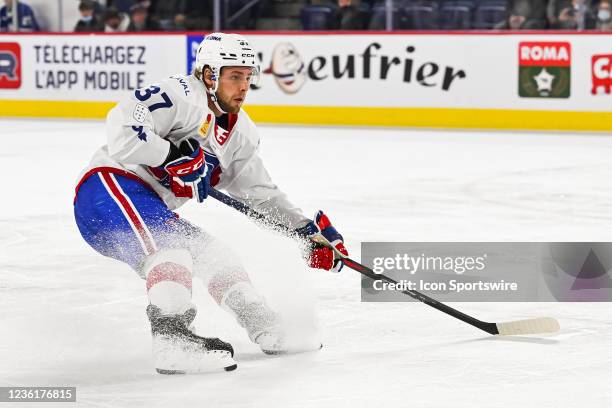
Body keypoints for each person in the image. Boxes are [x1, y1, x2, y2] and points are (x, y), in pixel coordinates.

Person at [73, 33, 349, 374]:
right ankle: (172, 341)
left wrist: (306, 233)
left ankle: (265, 326)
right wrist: (169, 155)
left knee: (217, 256)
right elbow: (122, 126)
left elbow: (260, 193)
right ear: (209, 75)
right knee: (172, 250)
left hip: (151, 206)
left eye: (248, 76)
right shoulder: (181, 94)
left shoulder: (240, 135)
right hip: (107, 189)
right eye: (235, 76)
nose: (244, 86)